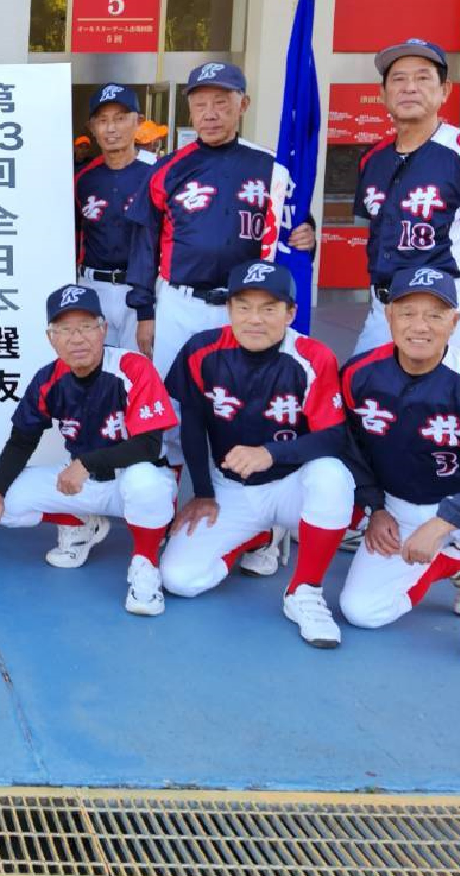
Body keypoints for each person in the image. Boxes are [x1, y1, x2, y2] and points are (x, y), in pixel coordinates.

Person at [339, 268, 460, 669]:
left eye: (435, 314)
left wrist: (444, 523)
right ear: (389, 315)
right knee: (363, 612)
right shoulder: (359, 374)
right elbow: (349, 451)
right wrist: (375, 508)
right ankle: (456, 563)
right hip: (399, 509)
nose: (420, 326)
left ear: (454, 321)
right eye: (408, 312)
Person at [158, 261, 354, 649]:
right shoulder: (202, 349)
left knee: (332, 476)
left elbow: (335, 437)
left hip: (294, 485)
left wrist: (271, 453)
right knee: (180, 580)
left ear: (290, 313)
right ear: (229, 309)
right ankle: (262, 535)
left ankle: (305, 590)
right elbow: (192, 424)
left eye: (269, 308)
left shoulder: (312, 356)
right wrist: (203, 493)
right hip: (233, 488)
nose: (255, 319)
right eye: (244, 306)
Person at [0, 285, 177, 617]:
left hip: (131, 479)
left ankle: (145, 564)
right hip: (84, 483)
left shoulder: (132, 367)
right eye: (65, 329)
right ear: (51, 338)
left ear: (103, 330)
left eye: (86, 326)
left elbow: (149, 444)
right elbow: (21, 441)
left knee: (146, 482)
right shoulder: (48, 379)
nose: (77, 338)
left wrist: (86, 463)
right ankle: (83, 524)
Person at [126, 62, 316, 384]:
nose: (210, 114)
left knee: (236, 395)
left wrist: (307, 237)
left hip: (245, 307)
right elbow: (144, 245)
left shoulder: (272, 167)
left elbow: (296, 224)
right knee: (172, 398)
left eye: (221, 103)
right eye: (200, 105)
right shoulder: (167, 168)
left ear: (243, 105)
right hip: (180, 304)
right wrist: (144, 312)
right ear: (190, 111)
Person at [350, 40, 460, 361]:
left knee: (446, 391)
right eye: (398, 79)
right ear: (383, 93)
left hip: (448, 304)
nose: (409, 87)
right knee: (363, 384)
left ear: (445, 91)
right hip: (386, 304)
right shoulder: (373, 158)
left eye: (423, 78)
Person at [73, 83, 158, 349]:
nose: (111, 128)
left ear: (138, 122)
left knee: (137, 368)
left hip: (141, 289)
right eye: (102, 120)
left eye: (120, 118)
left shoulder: (157, 173)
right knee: (95, 366)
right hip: (93, 285)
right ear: (92, 127)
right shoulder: (82, 178)